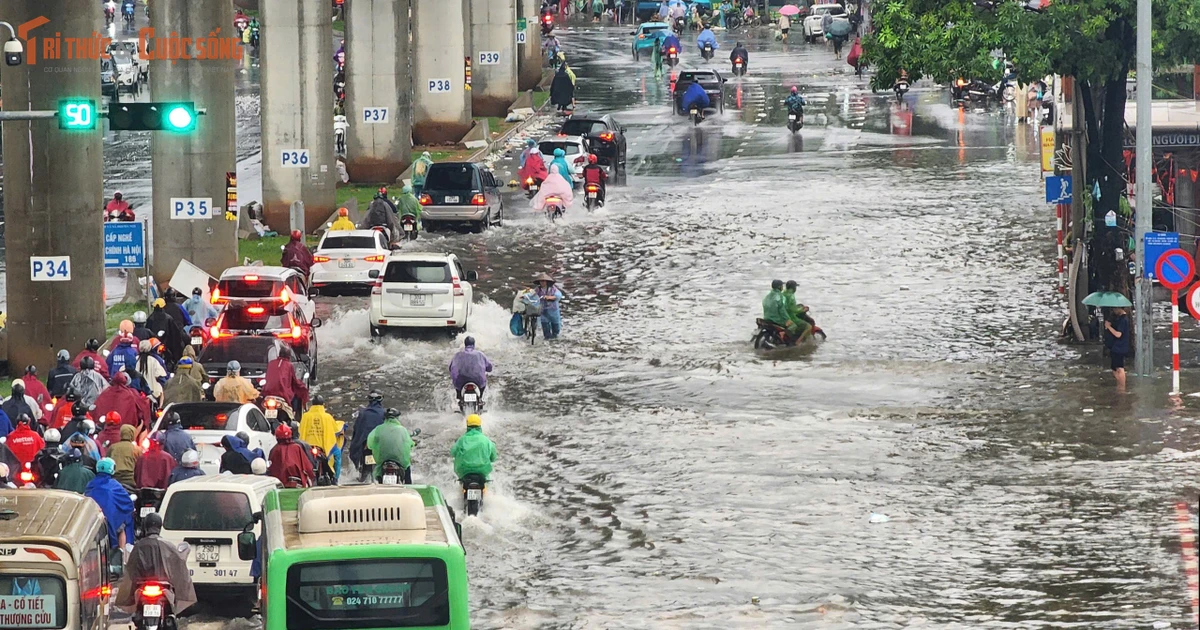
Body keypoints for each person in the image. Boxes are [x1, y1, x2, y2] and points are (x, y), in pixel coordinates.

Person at [115, 512, 198, 617]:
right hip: (159, 589)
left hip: (144, 588)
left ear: (145, 527)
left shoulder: (139, 546)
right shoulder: (167, 545)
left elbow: (131, 567)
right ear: (159, 527)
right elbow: (179, 560)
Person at [85, 458, 135, 548]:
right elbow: (127, 503)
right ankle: (121, 553)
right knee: (122, 528)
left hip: (92, 521)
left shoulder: (91, 484)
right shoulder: (114, 485)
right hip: (111, 522)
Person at [366, 408, 415, 483]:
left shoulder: (378, 429)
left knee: (378, 473)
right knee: (407, 470)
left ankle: (380, 481)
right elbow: (409, 443)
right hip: (400, 460)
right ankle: (409, 489)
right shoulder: (402, 430)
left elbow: (370, 443)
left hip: (382, 460)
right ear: (397, 418)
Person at [349, 391, 386, 482]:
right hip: (380, 444)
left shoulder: (363, 413)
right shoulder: (384, 413)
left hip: (365, 444)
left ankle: (362, 469)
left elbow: (357, 429)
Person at [262, 344, 309, 412]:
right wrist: (301, 386)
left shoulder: (271, 363)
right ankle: (293, 413)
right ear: (289, 356)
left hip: (268, 392)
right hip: (283, 394)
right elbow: (294, 381)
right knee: (296, 395)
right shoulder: (289, 365)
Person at [451, 414, 498, 483]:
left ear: (467, 425)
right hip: (482, 472)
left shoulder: (461, 440)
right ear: (479, 425)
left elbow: (452, 452)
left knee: (461, 484)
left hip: (464, 472)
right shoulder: (486, 440)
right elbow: (493, 457)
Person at [300, 395, 338, 469]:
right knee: (337, 455)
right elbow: (335, 429)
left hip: (307, 446)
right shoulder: (327, 417)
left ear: (312, 404)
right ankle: (335, 477)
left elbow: (300, 430)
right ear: (323, 404)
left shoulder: (305, 416)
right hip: (323, 447)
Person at [146, 298, 186, 366]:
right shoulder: (168, 318)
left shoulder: (150, 318)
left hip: (157, 347)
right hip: (166, 346)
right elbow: (175, 334)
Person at [105, 424, 141, 488]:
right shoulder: (137, 449)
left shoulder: (113, 447)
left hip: (114, 479)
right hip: (130, 481)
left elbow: (106, 462)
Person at [1105, 306, 1130, 389]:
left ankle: (1122, 386)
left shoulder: (1124, 320)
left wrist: (1109, 327)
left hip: (1120, 347)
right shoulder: (1119, 319)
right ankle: (1119, 384)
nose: (1114, 311)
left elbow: (1118, 334)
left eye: (1115, 309)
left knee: (1120, 367)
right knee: (1114, 367)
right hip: (1115, 347)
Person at [535, 273, 565, 340]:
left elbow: (558, 295)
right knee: (545, 328)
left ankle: (555, 338)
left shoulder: (553, 289)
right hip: (543, 312)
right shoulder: (537, 290)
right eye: (541, 281)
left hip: (553, 311)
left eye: (543, 281)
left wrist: (550, 297)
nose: (542, 283)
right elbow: (532, 295)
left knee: (556, 328)